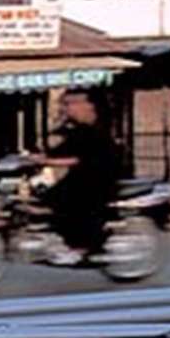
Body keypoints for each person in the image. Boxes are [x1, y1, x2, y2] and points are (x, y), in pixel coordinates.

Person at [35, 88, 122, 265]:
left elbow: (80, 158)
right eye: (64, 104)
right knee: (47, 197)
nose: (66, 109)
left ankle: (81, 247)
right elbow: (60, 151)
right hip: (81, 175)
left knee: (68, 202)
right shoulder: (76, 128)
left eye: (70, 104)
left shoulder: (97, 128)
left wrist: (47, 161)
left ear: (88, 105)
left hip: (97, 177)